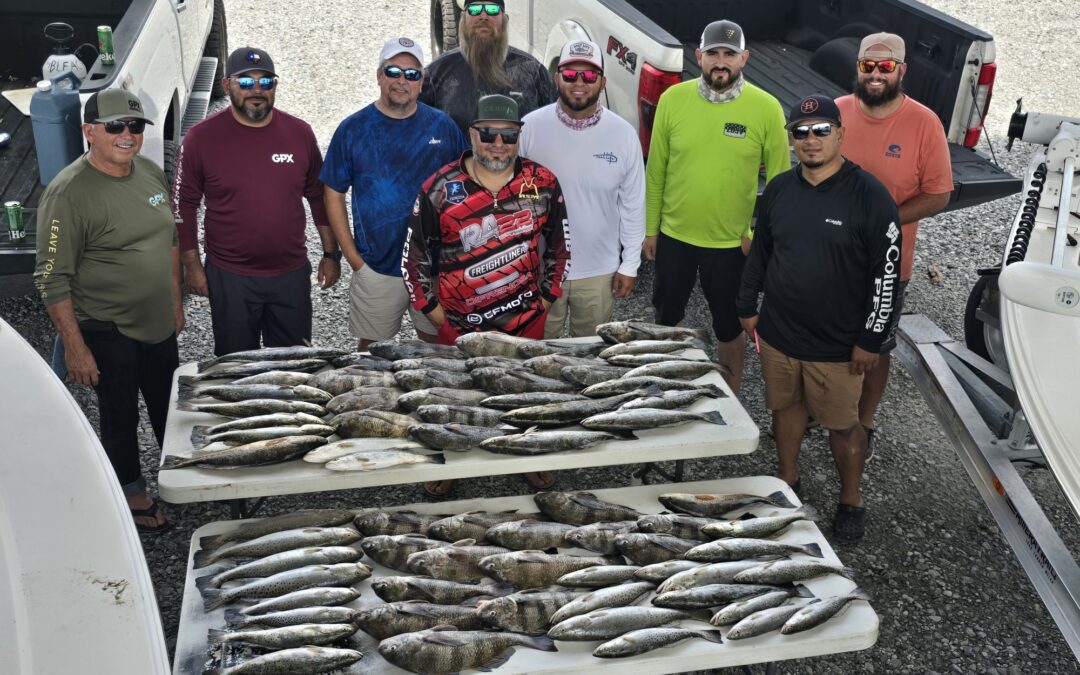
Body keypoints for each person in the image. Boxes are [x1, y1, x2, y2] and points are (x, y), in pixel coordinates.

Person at [736, 95, 902, 540]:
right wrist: (747, 304)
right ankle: (787, 482)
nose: (811, 140)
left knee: (843, 425)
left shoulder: (871, 196)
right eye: (801, 132)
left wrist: (871, 338)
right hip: (779, 333)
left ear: (841, 134)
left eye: (822, 129)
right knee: (785, 410)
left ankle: (851, 499)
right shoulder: (779, 190)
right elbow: (761, 253)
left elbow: (885, 275)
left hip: (838, 344)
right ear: (791, 140)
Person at [403, 94, 570, 497]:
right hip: (458, 326)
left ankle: (530, 456)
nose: (498, 143)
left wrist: (547, 298)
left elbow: (561, 246)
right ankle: (453, 463)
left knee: (526, 396)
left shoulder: (542, 182)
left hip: (525, 322)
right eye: (489, 133)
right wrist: (436, 314)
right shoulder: (440, 187)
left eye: (508, 136)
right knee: (456, 399)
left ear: (518, 137)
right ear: (471, 134)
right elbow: (414, 258)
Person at [33, 89, 184, 535]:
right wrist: (76, 348)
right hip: (107, 326)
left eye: (135, 126)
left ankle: (177, 479)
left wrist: (175, 304)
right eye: (115, 126)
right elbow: (50, 277)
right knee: (120, 415)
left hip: (159, 323)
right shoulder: (68, 194)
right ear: (88, 132)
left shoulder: (150, 173)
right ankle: (132, 494)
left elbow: (170, 240)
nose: (127, 135)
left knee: (171, 408)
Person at [643, 19, 790, 393]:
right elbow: (656, 171)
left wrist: (758, 237)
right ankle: (662, 391)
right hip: (674, 237)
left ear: (745, 58)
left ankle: (732, 396)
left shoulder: (767, 108)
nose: (720, 62)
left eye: (729, 54)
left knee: (730, 325)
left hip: (730, 246)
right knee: (666, 321)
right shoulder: (673, 100)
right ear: (699, 56)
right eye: (712, 54)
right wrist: (650, 230)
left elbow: (779, 186)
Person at [173, 47, 341, 356]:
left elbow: (318, 195)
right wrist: (193, 266)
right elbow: (183, 206)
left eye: (266, 82)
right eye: (246, 82)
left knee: (293, 367)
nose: (257, 91)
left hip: (290, 275)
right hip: (230, 277)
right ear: (226, 86)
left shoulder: (299, 133)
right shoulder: (201, 139)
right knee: (236, 368)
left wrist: (331, 254)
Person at [836, 32, 953, 459]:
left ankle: (864, 422)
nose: (876, 75)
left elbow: (938, 194)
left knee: (876, 345)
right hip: (831, 255)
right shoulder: (838, 112)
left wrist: (882, 221)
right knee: (826, 333)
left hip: (886, 263)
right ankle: (826, 409)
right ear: (858, 68)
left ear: (903, 70)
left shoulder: (925, 123)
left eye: (886, 67)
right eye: (868, 66)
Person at [321, 37, 467, 350]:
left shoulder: (443, 128)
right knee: (371, 353)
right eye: (393, 72)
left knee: (437, 350)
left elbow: (465, 189)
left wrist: (455, 255)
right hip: (376, 266)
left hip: (433, 268)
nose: (402, 81)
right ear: (379, 75)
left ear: (422, 81)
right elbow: (333, 192)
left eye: (412, 74)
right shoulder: (353, 129)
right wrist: (353, 258)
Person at [520, 39, 645, 338]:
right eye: (570, 74)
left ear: (602, 82)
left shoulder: (624, 135)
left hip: (598, 271)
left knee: (590, 359)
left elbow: (633, 205)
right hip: (540, 269)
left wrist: (630, 264)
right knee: (535, 354)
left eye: (589, 76)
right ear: (556, 78)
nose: (579, 83)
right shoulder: (528, 128)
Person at [419, 0, 555, 135]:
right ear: (462, 18)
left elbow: (552, 125)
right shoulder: (437, 72)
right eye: (474, 9)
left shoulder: (533, 70)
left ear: (505, 19)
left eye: (492, 10)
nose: (483, 16)